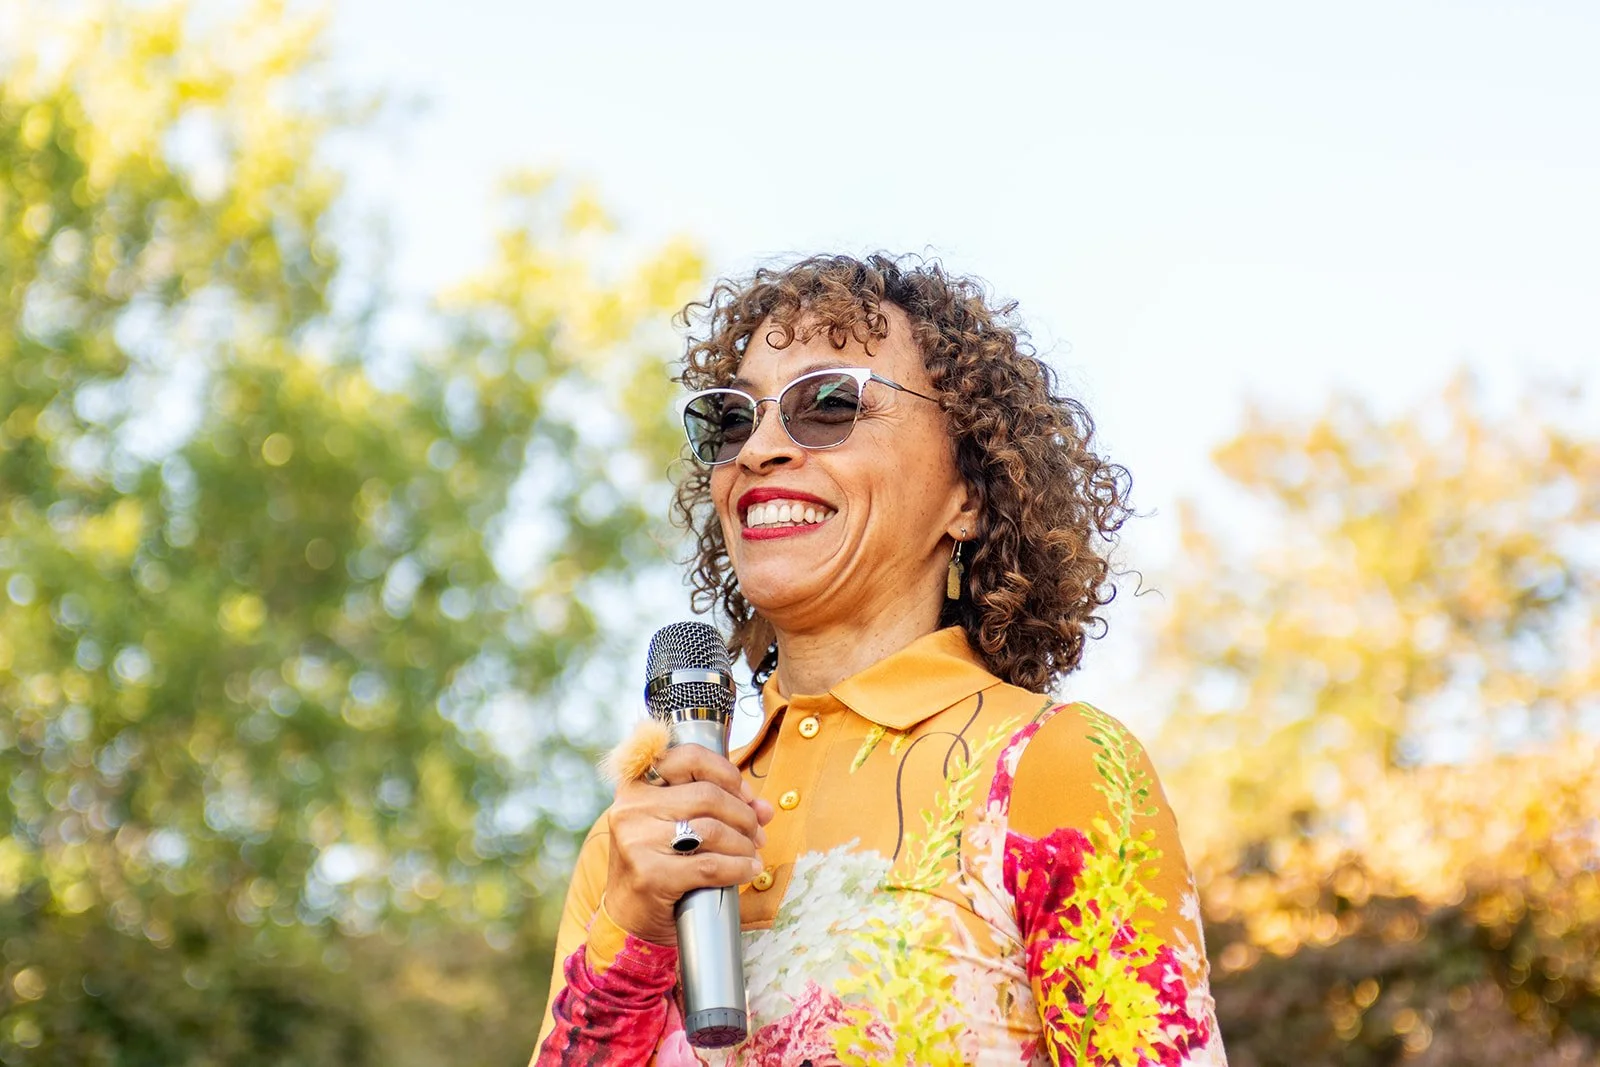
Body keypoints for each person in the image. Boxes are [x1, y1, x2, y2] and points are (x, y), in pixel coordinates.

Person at [532, 254, 1227, 1065]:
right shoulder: (638, 836)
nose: (757, 448)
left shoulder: (1054, 766)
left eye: (828, 404)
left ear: (968, 492)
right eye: (731, 420)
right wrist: (630, 925)